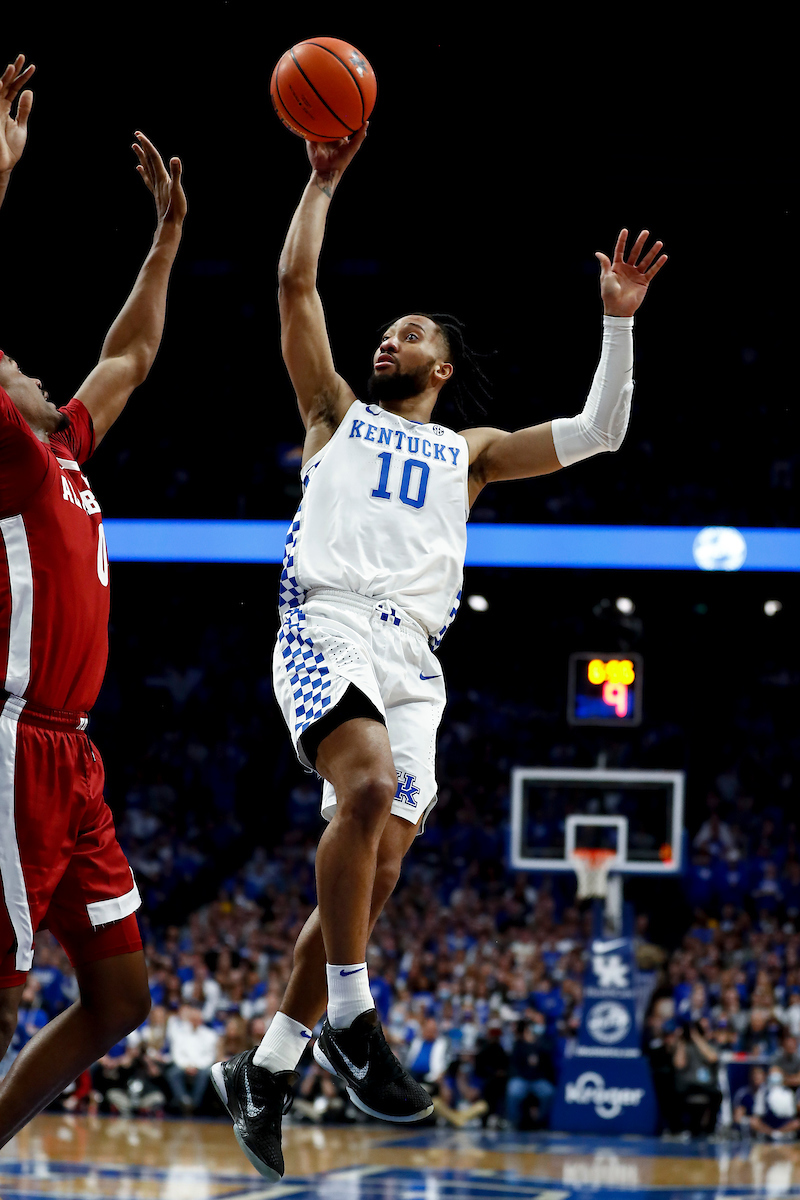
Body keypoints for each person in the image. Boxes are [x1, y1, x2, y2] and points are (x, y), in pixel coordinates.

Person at [213, 121, 667, 1180]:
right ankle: (355, 1019)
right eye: (382, 332)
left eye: (405, 334)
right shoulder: (331, 412)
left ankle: (269, 1067)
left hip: (417, 658)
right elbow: (293, 287)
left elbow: (599, 431)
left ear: (441, 363)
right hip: (325, 619)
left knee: (368, 882)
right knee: (363, 788)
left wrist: (615, 325)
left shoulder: (467, 453)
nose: (387, 341)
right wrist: (319, 183)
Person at [0, 54, 186, 1145]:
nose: (19, 361)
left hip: (77, 760)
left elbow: (133, 351)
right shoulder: (12, 464)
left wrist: (163, 240)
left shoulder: (61, 441)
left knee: (122, 1000)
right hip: (15, 743)